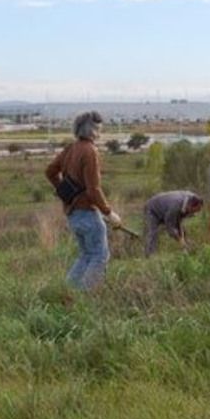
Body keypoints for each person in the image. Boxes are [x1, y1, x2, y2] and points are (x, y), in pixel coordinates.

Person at [45, 111, 122, 289]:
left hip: (72, 214)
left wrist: (65, 191)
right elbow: (94, 189)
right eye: (99, 129)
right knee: (99, 256)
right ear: (92, 130)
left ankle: (68, 292)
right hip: (88, 213)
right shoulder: (90, 151)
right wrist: (109, 213)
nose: (100, 133)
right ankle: (83, 299)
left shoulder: (70, 148)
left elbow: (50, 172)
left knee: (85, 255)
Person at [143, 190, 203, 256]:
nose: (194, 213)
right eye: (194, 210)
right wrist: (180, 240)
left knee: (182, 233)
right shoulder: (175, 206)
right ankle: (150, 256)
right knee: (153, 233)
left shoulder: (193, 199)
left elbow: (179, 221)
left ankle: (188, 249)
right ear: (190, 206)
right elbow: (170, 227)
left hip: (166, 209)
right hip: (152, 209)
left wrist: (183, 237)